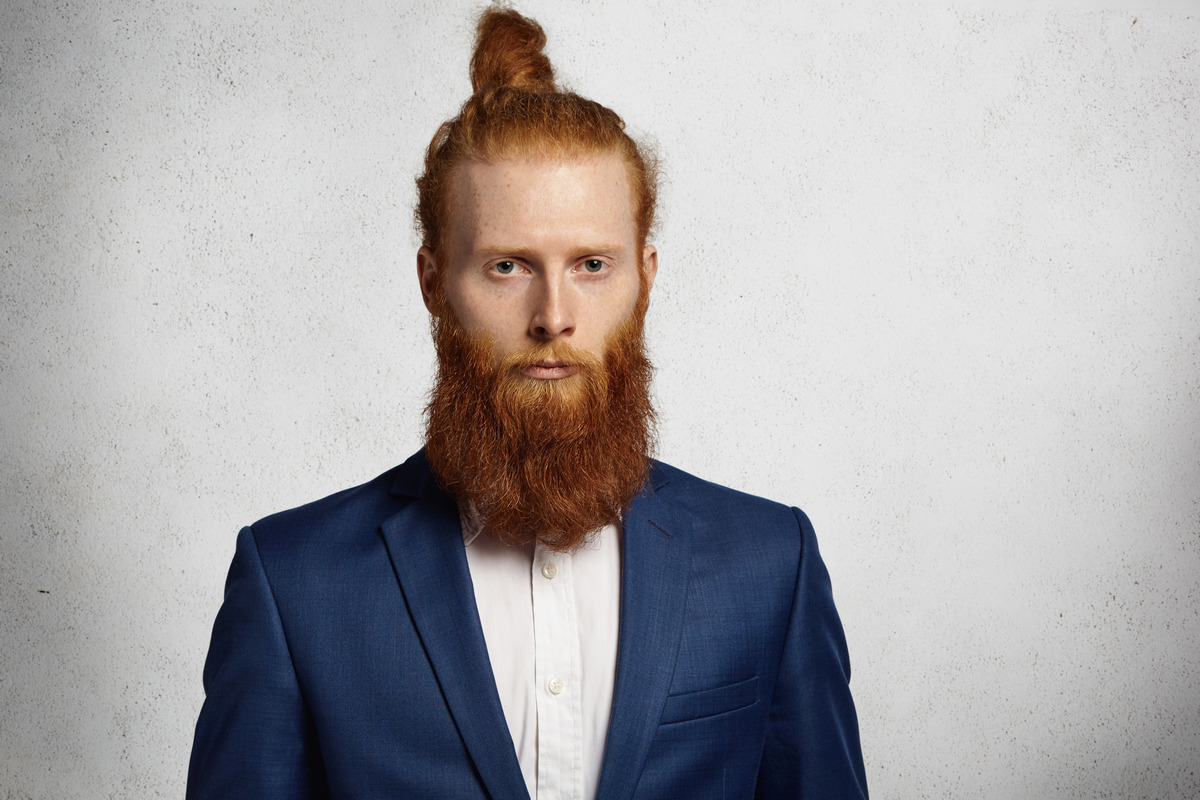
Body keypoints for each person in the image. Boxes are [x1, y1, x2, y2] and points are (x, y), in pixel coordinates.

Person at [186, 7, 867, 799]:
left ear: (645, 276)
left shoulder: (769, 565)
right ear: (434, 281)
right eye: (507, 266)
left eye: (591, 264)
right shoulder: (294, 582)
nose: (553, 316)